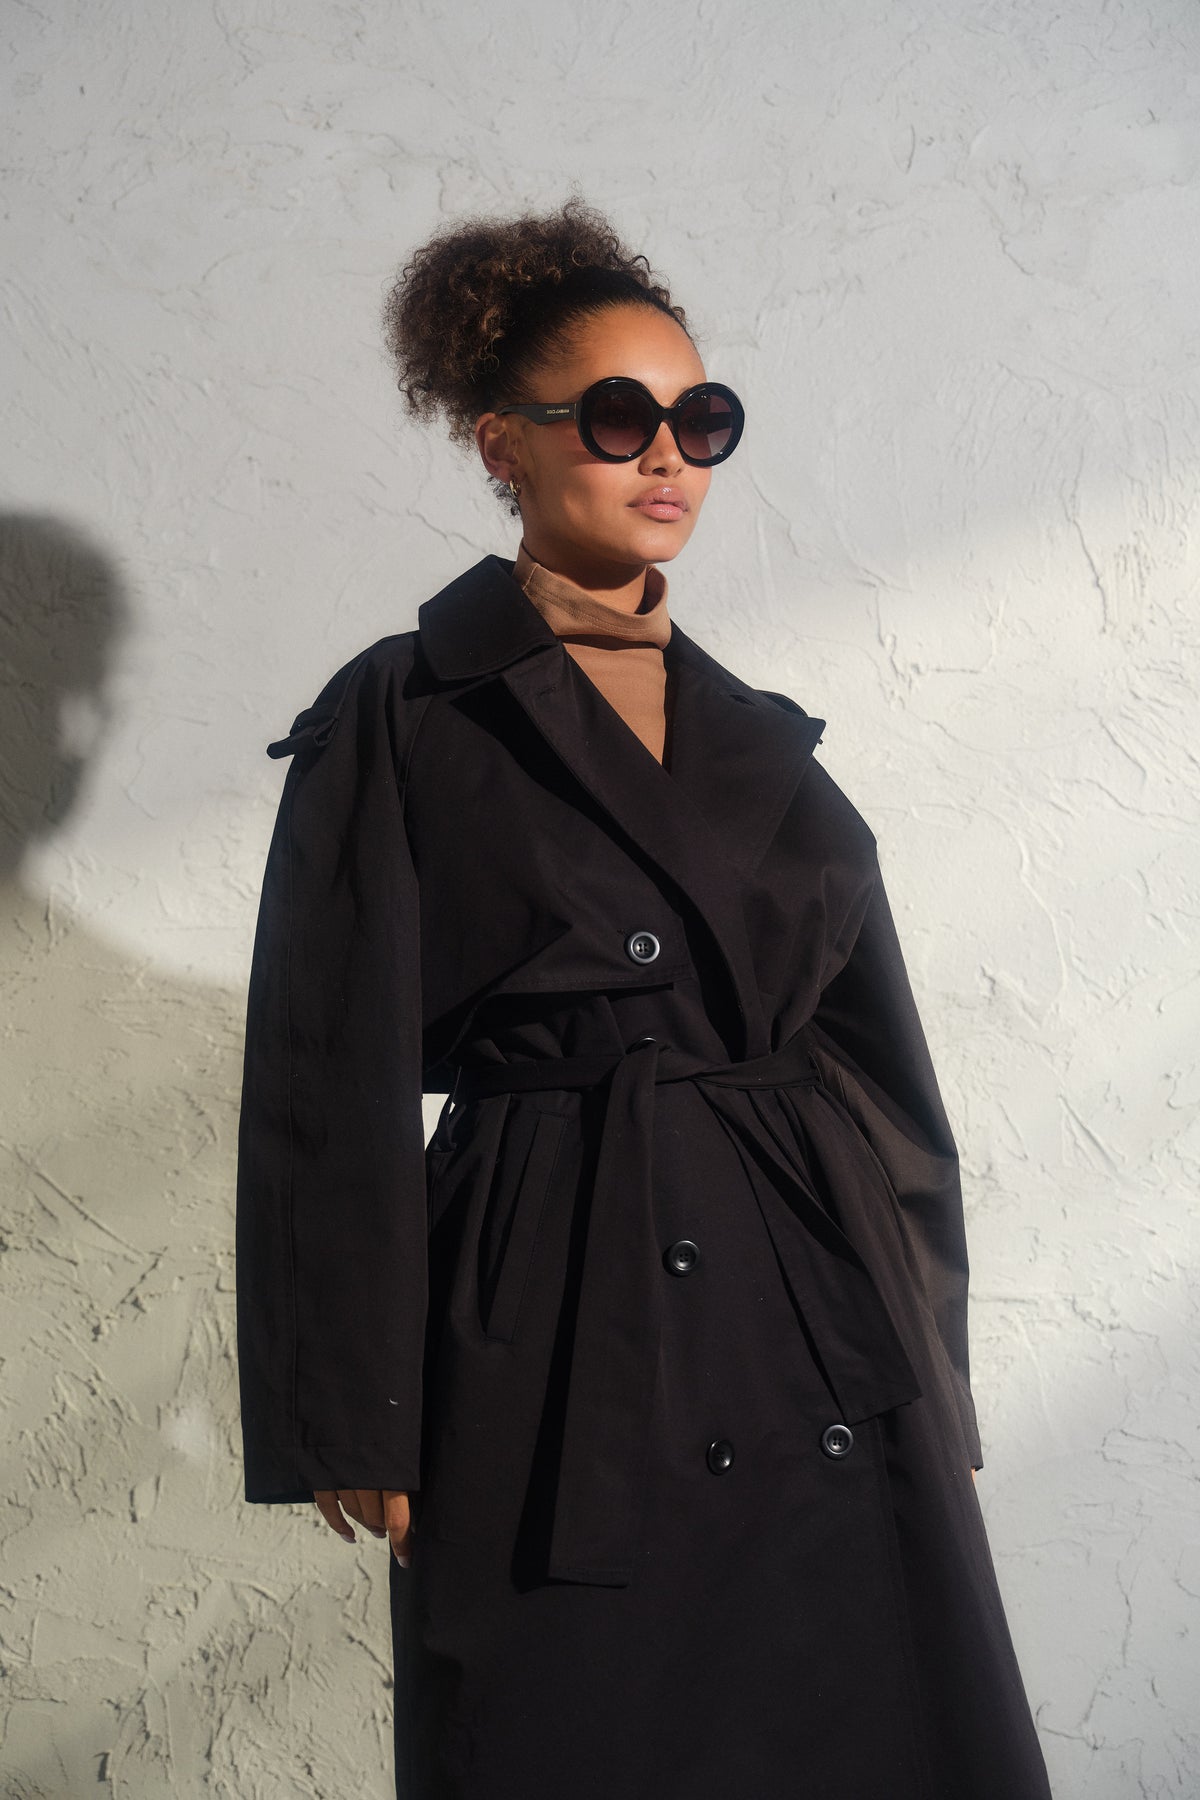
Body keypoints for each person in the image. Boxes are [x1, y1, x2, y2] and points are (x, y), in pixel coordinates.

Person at [234, 195, 1053, 1799]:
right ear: (505, 444)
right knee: (572, 1722)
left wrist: (932, 1365)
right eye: (618, 418)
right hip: (554, 1292)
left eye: (702, 420)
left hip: (814, 1310)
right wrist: (355, 1409)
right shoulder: (405, 710)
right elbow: (323, 1075)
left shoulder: (764, 738)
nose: (668, 455)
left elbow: (884, 1083)